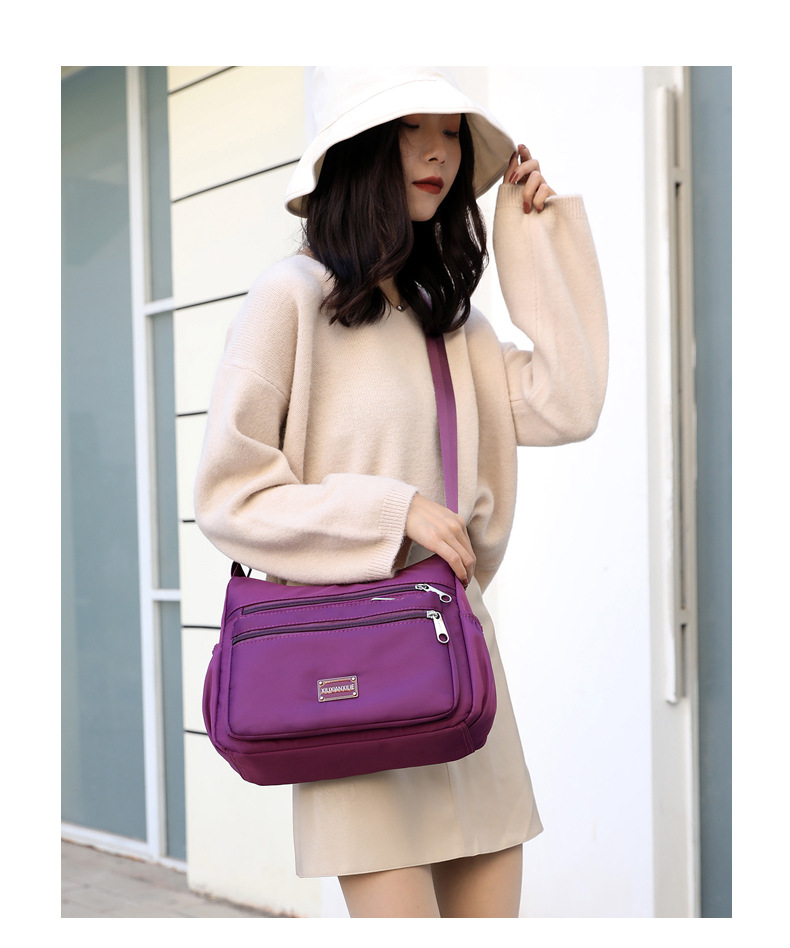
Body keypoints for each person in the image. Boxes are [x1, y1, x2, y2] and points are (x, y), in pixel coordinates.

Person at [194, 67, 608, 918]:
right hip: (346, 675)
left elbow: (570, 403)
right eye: (409, 129)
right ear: (357, 149)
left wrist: (534, 240)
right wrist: (392, 512)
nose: (437, 153)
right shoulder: (290, 298)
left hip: (455, 667)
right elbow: (229, 495)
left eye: (451, 132)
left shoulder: (449, 322)